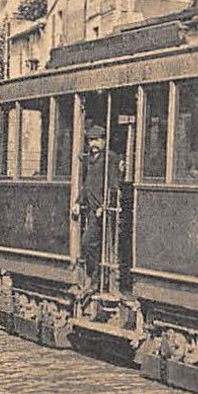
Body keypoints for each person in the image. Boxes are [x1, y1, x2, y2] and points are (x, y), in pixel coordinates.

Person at [73, 125, 113, 295]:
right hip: (91, 210)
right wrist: (78, 202)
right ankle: (94, 278)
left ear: (104, 141)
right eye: (91, 140)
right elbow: (87, 185)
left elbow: (113, 185)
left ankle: (95, 280)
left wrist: (105, 206)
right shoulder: (90, 159)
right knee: (89, 243)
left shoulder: (110, 159)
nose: (94, 144)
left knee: (88, 242)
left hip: (102, 211)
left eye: (97, 140)